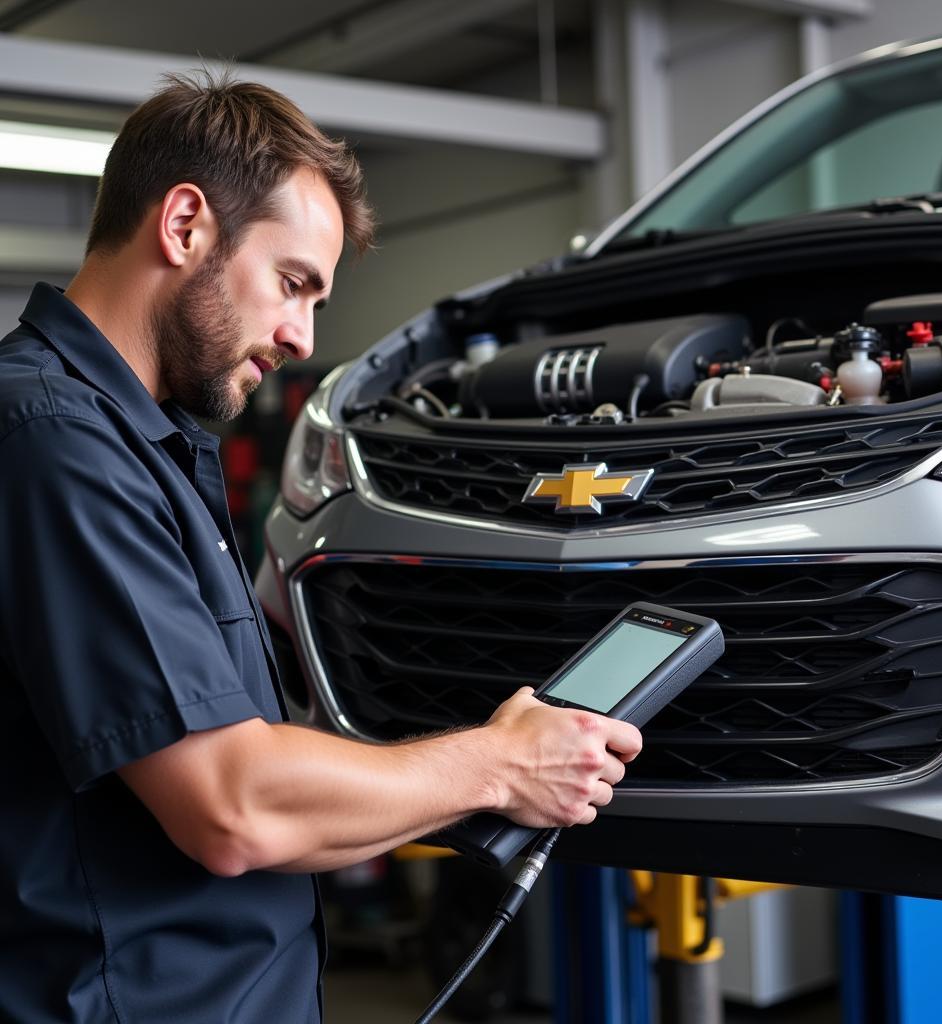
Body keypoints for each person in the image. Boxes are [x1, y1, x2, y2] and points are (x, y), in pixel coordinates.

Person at [0, 73, 643, 1022]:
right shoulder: (53, 438)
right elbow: (233, 806)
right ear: (185, 226)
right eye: (293, 283)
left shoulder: (150, 444)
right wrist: (499, 764)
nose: (301, 336)